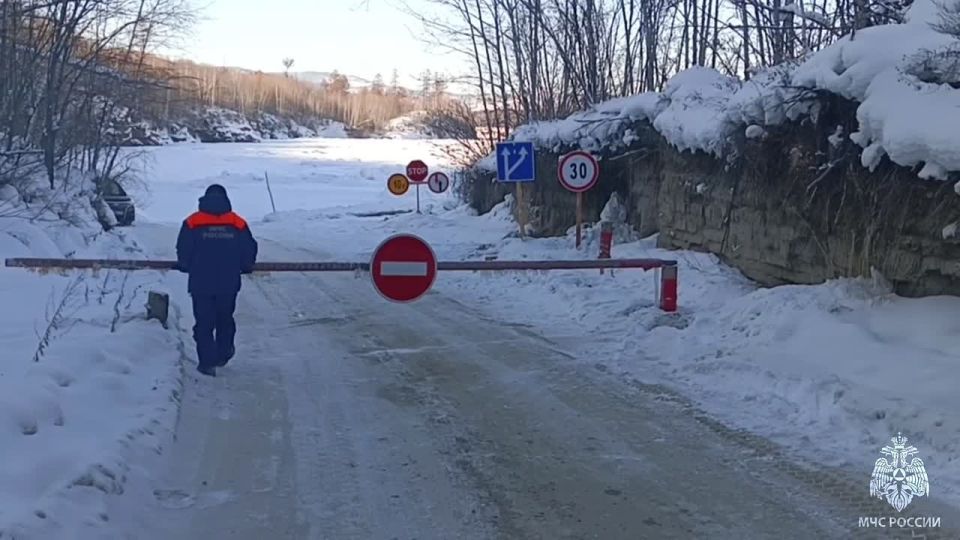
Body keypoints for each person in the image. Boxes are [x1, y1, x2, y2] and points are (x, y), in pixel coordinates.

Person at [176, 184, 258, 377]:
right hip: (228, 282)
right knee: (225, 319)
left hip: (200, 282)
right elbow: (249, 247)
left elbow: (183, 248)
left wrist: (185, 265)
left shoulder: (192, 222)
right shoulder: (237, 222)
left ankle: (207, 362)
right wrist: (246, 266)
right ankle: (224, 352)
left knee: (203, 322)